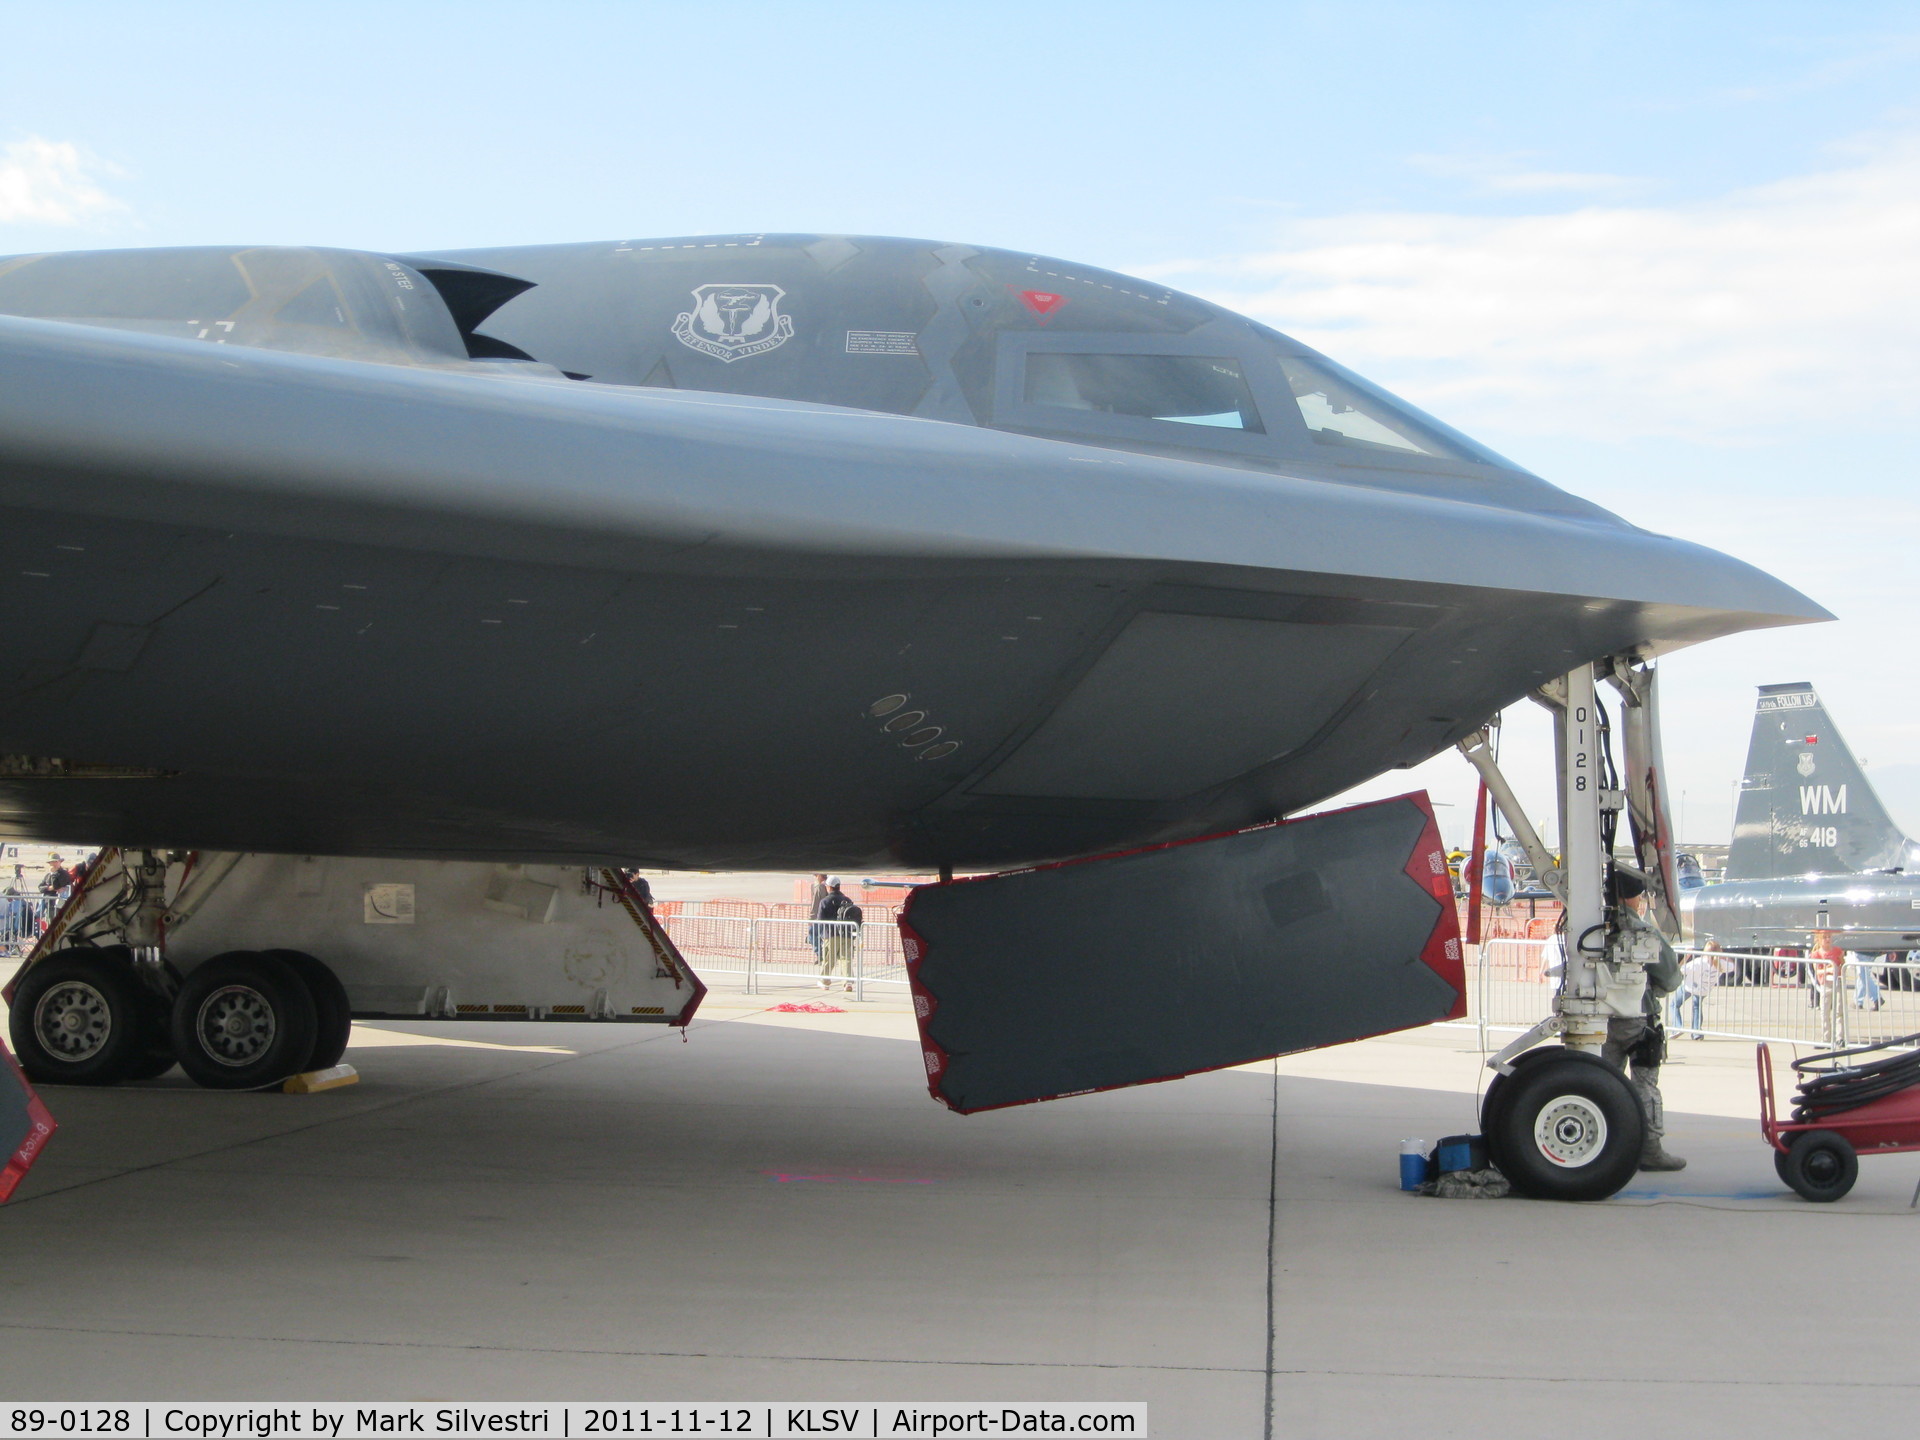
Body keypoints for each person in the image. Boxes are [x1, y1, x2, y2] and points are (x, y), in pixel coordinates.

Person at [1599, 869, 1687, 1172]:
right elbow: (1670, 978)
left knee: (1600, 1086)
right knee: (1645, 1087)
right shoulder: (1644, 932)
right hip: (1638, 1022)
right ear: (1630, 897)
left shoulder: (1591, 926)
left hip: (1597, 1022)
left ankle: (1601, 1146)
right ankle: (1650, 1150)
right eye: (1638, 895)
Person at [1670, 940, 1732, 1040]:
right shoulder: (1721, 964)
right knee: (1696, 1007)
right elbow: (1732, 967)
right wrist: (1724, 956)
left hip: (1689, 987)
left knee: (1674, 1004)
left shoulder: (1699, 962)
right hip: (1704, 989)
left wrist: (1687, 955)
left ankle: (1678, 1027)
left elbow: (1681, 969)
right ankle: (1696, 1033)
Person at [812, 876, 863, 991]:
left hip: (831, 934)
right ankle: (847, 982)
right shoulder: (847, 900)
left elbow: (820, 920)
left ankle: (824, 981)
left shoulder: (825, 901)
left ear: (829, 887)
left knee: (829, 959)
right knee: (846, 959)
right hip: (847, 934)